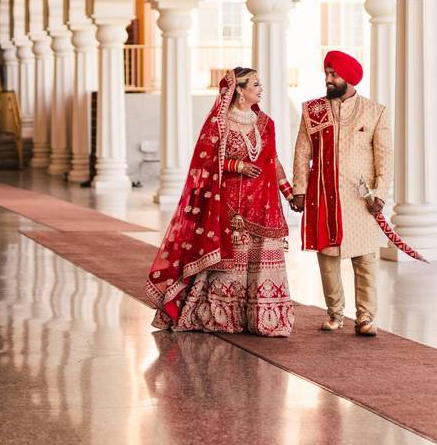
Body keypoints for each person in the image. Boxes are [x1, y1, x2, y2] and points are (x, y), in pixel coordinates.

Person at [146, 67, 295, 336]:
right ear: (239, 89)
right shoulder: (219, 123)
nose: (260, 89)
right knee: (229, 263)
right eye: (255, 84)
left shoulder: (266, 123)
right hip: (227, 205)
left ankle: (264, 320)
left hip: (262, 206)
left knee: (258, 261)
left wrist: (289, 192)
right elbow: (204, 161)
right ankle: (223, 317)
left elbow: (273, 162)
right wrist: (238, 166)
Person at [290, 50, 392, 336]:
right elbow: (302, 151)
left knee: (366, 260)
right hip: (324, 196)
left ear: (349, 77)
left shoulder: (375, 111)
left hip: (362, 200)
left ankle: (366, 317)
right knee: (328, 257)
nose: (328, 79)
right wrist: (299, 190)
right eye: (327, 74)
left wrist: (380, 194)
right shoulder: (313, 111)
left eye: (334, 74)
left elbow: (385, 157)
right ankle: (335, 313)